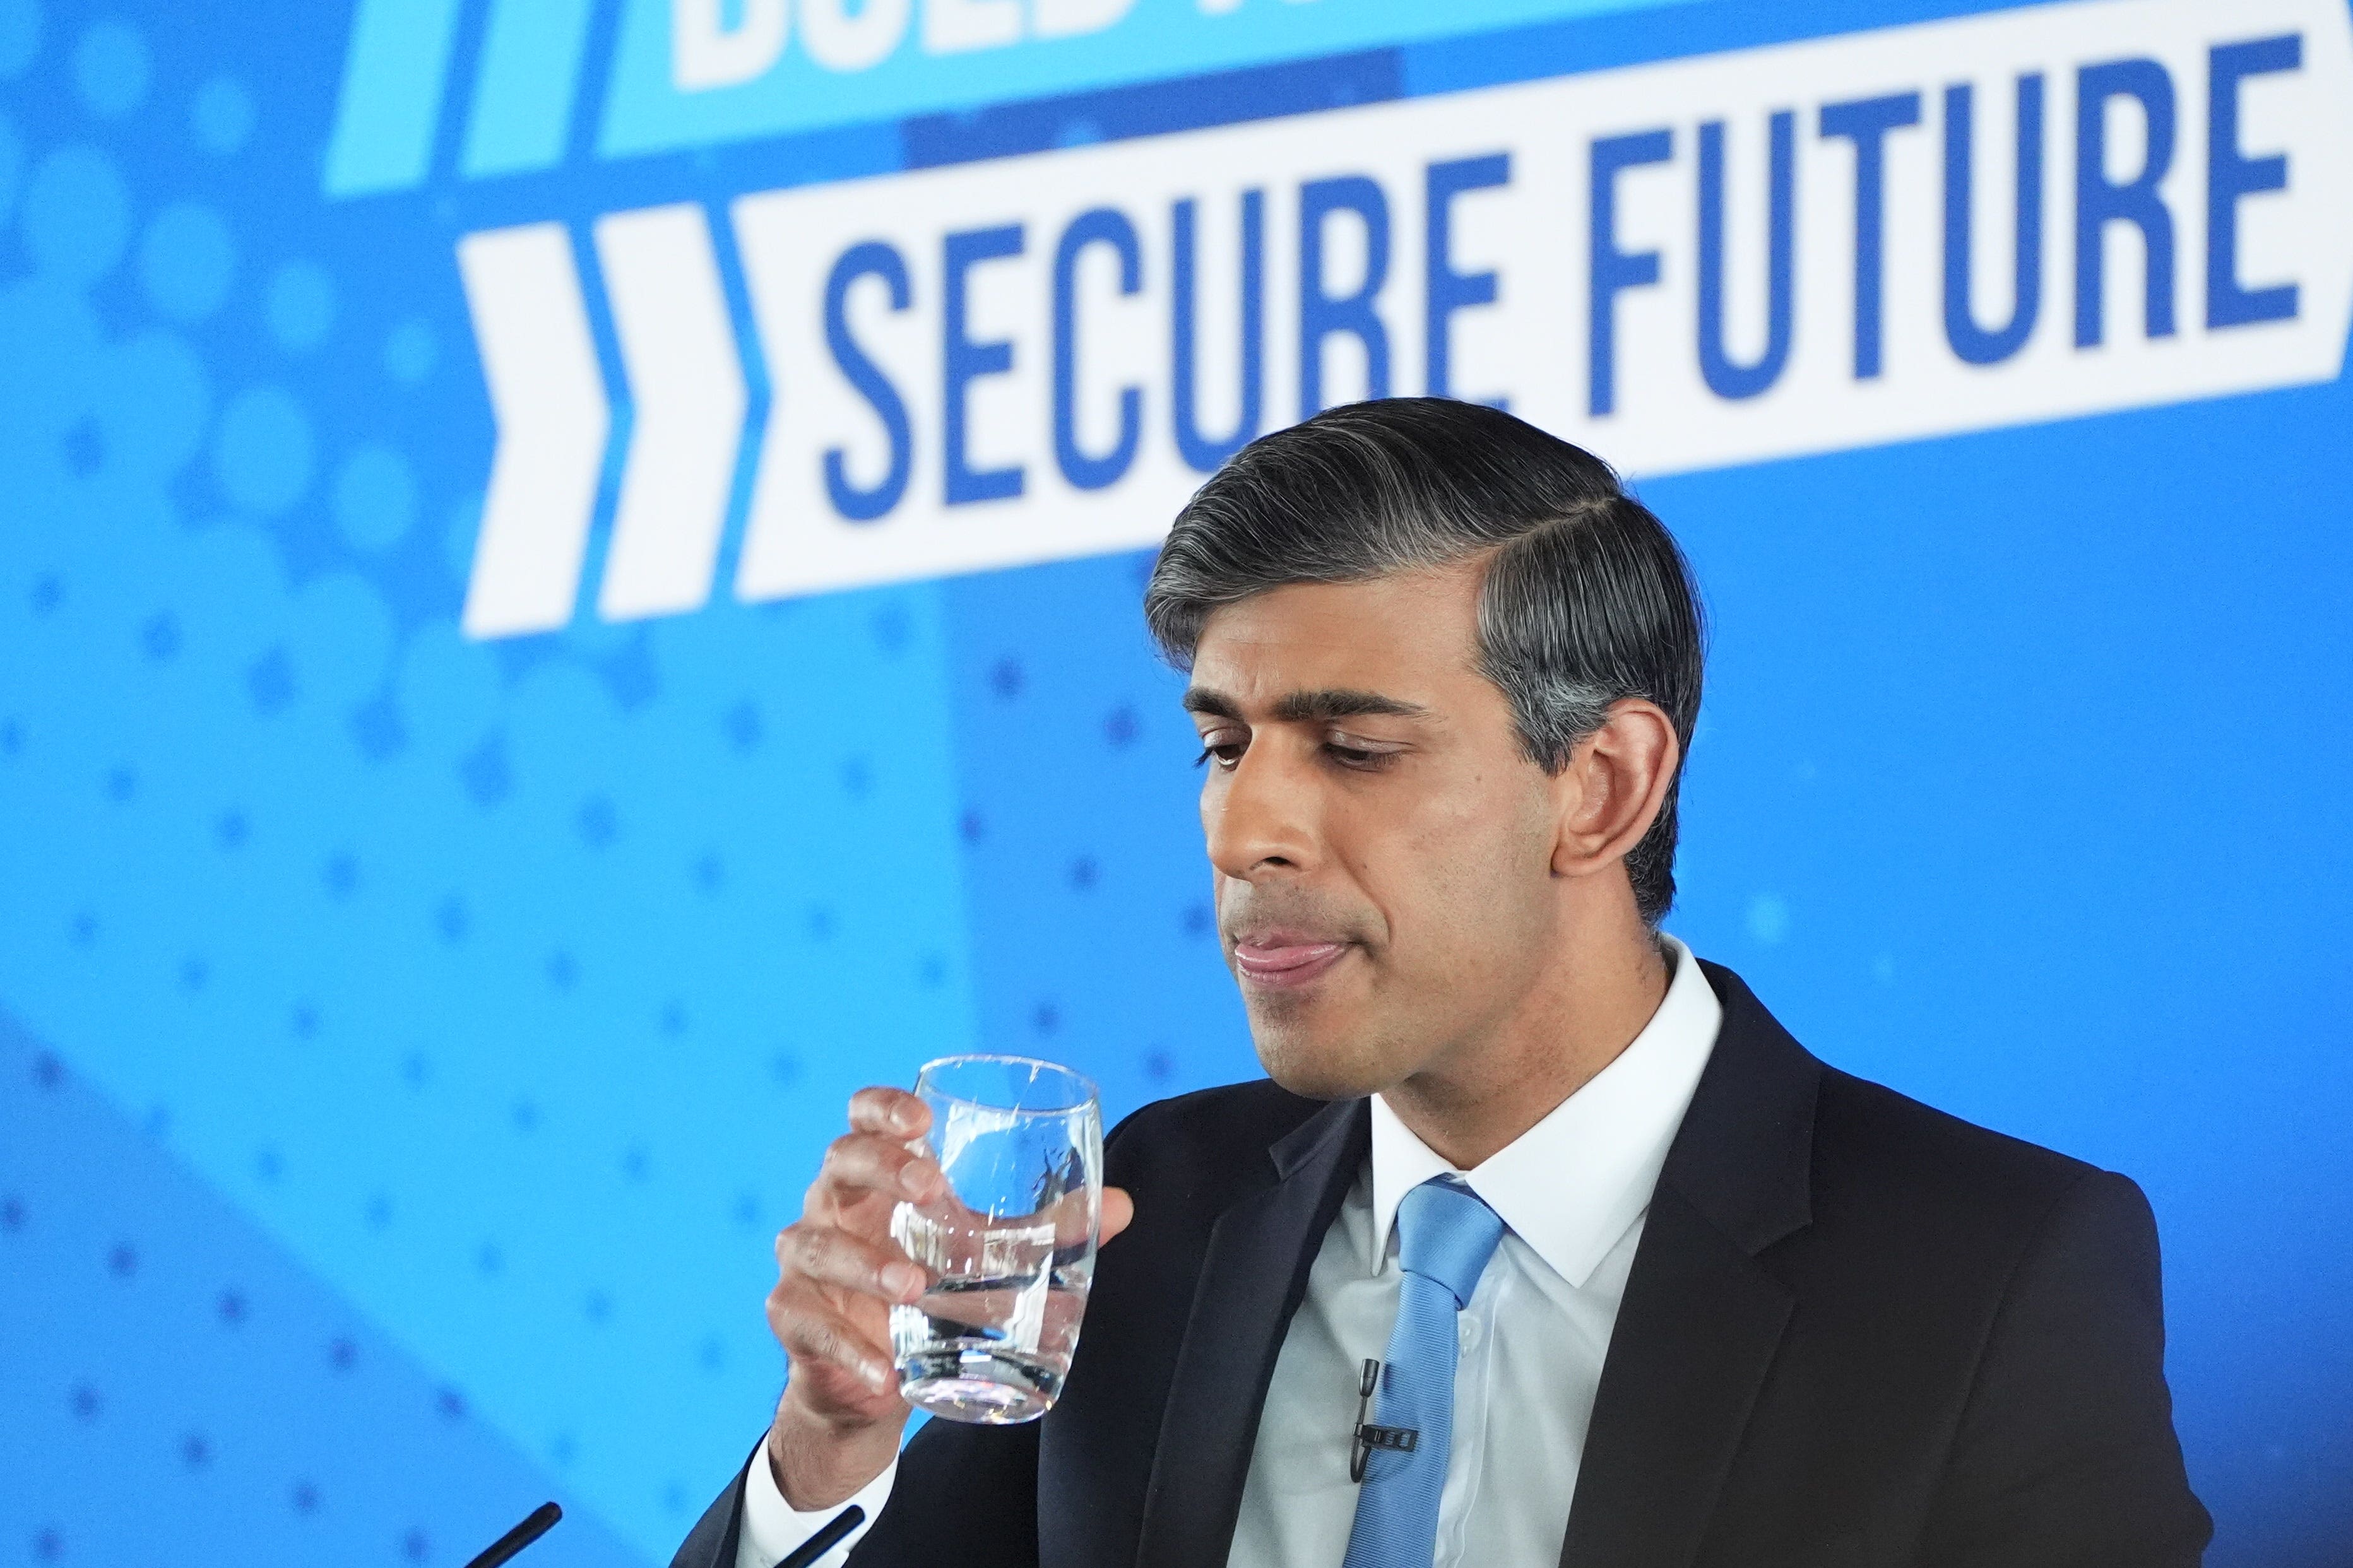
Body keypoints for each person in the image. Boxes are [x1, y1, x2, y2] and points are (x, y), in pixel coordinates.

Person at [672, 399, 2210, 1568]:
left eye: (1354, 746)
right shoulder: (1141, 1220)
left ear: (1601, 785)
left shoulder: (1984, 1274)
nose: (1244, 828)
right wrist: (832, 1441)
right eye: (1223, 744)